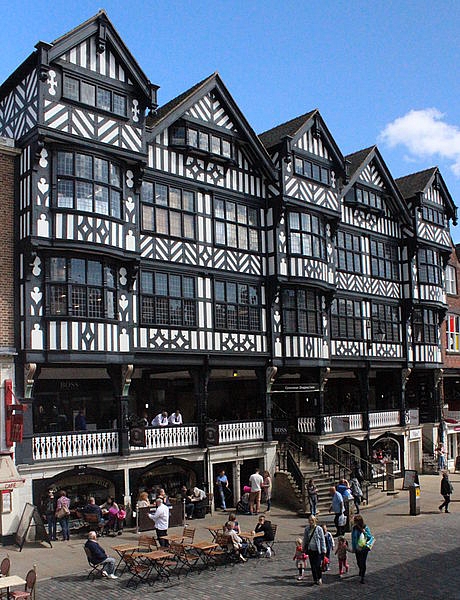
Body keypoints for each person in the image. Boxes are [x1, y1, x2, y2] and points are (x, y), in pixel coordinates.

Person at [302, 515, 326, 585]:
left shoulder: (319, 529)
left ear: (315, 521)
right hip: (310, 549)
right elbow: (305, 539)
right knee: (312, 565)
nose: (310, 522)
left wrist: (323, 549)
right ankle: (315, 579)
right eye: (309, 520)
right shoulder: (307, 529)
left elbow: (322, 539)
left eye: (312, 520)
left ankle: (319, 578)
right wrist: (303, 548)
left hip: (317, 550)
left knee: (318, 565)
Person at [351, 514, 374, 584]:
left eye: (355, 521)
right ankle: (361, 569)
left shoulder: (365, 527)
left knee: (363, 562)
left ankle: (362, 577)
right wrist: (353, 547)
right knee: (358, 562)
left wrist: (365, 532)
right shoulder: (354, 528)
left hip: (364, 548)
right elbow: (353, 538)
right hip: (357, 548)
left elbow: (370, 537)